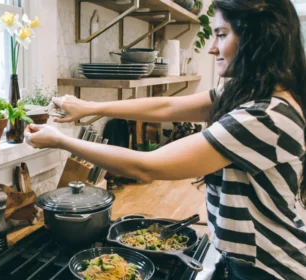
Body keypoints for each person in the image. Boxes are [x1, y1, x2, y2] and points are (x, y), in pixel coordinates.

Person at [24, 0, 306, 279]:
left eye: (221, 34)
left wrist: (61, 141)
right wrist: (91, 107)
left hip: (269, 268)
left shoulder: (264, 115)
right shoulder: (249, 94)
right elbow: (166, 108)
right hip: (246, 260)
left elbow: (147, 166)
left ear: (258, 37)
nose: (212, 47)